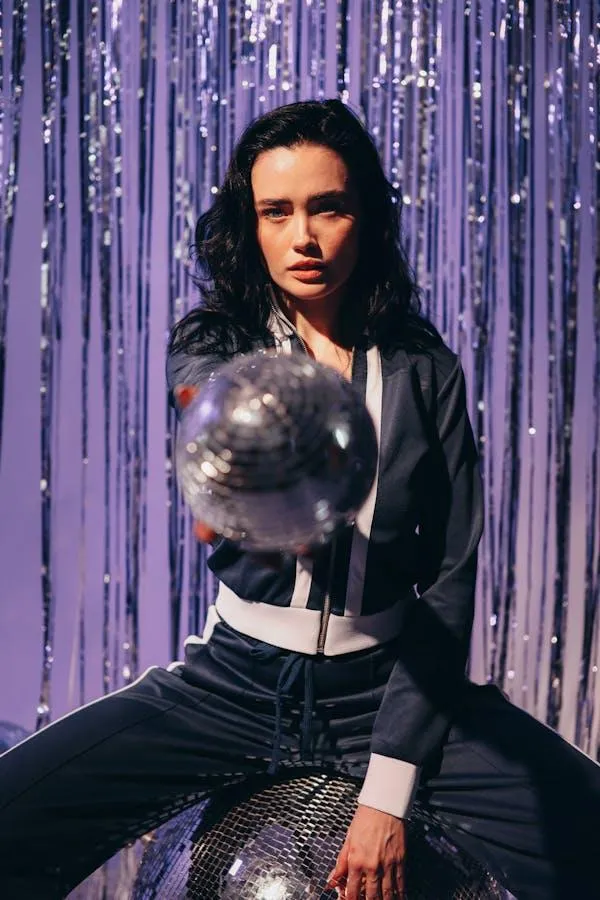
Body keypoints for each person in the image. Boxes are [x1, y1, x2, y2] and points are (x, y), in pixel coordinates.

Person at [0, 99, 599, 900]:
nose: (303, 237)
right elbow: (222, 417)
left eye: (328, 207)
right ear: (249, 226)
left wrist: (388, 788)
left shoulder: (424, 368)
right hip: (234, 684)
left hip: (388, 690)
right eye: (276, 212)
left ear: (366, 217)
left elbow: (450, 578)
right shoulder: (216, 343)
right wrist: (255, 480)